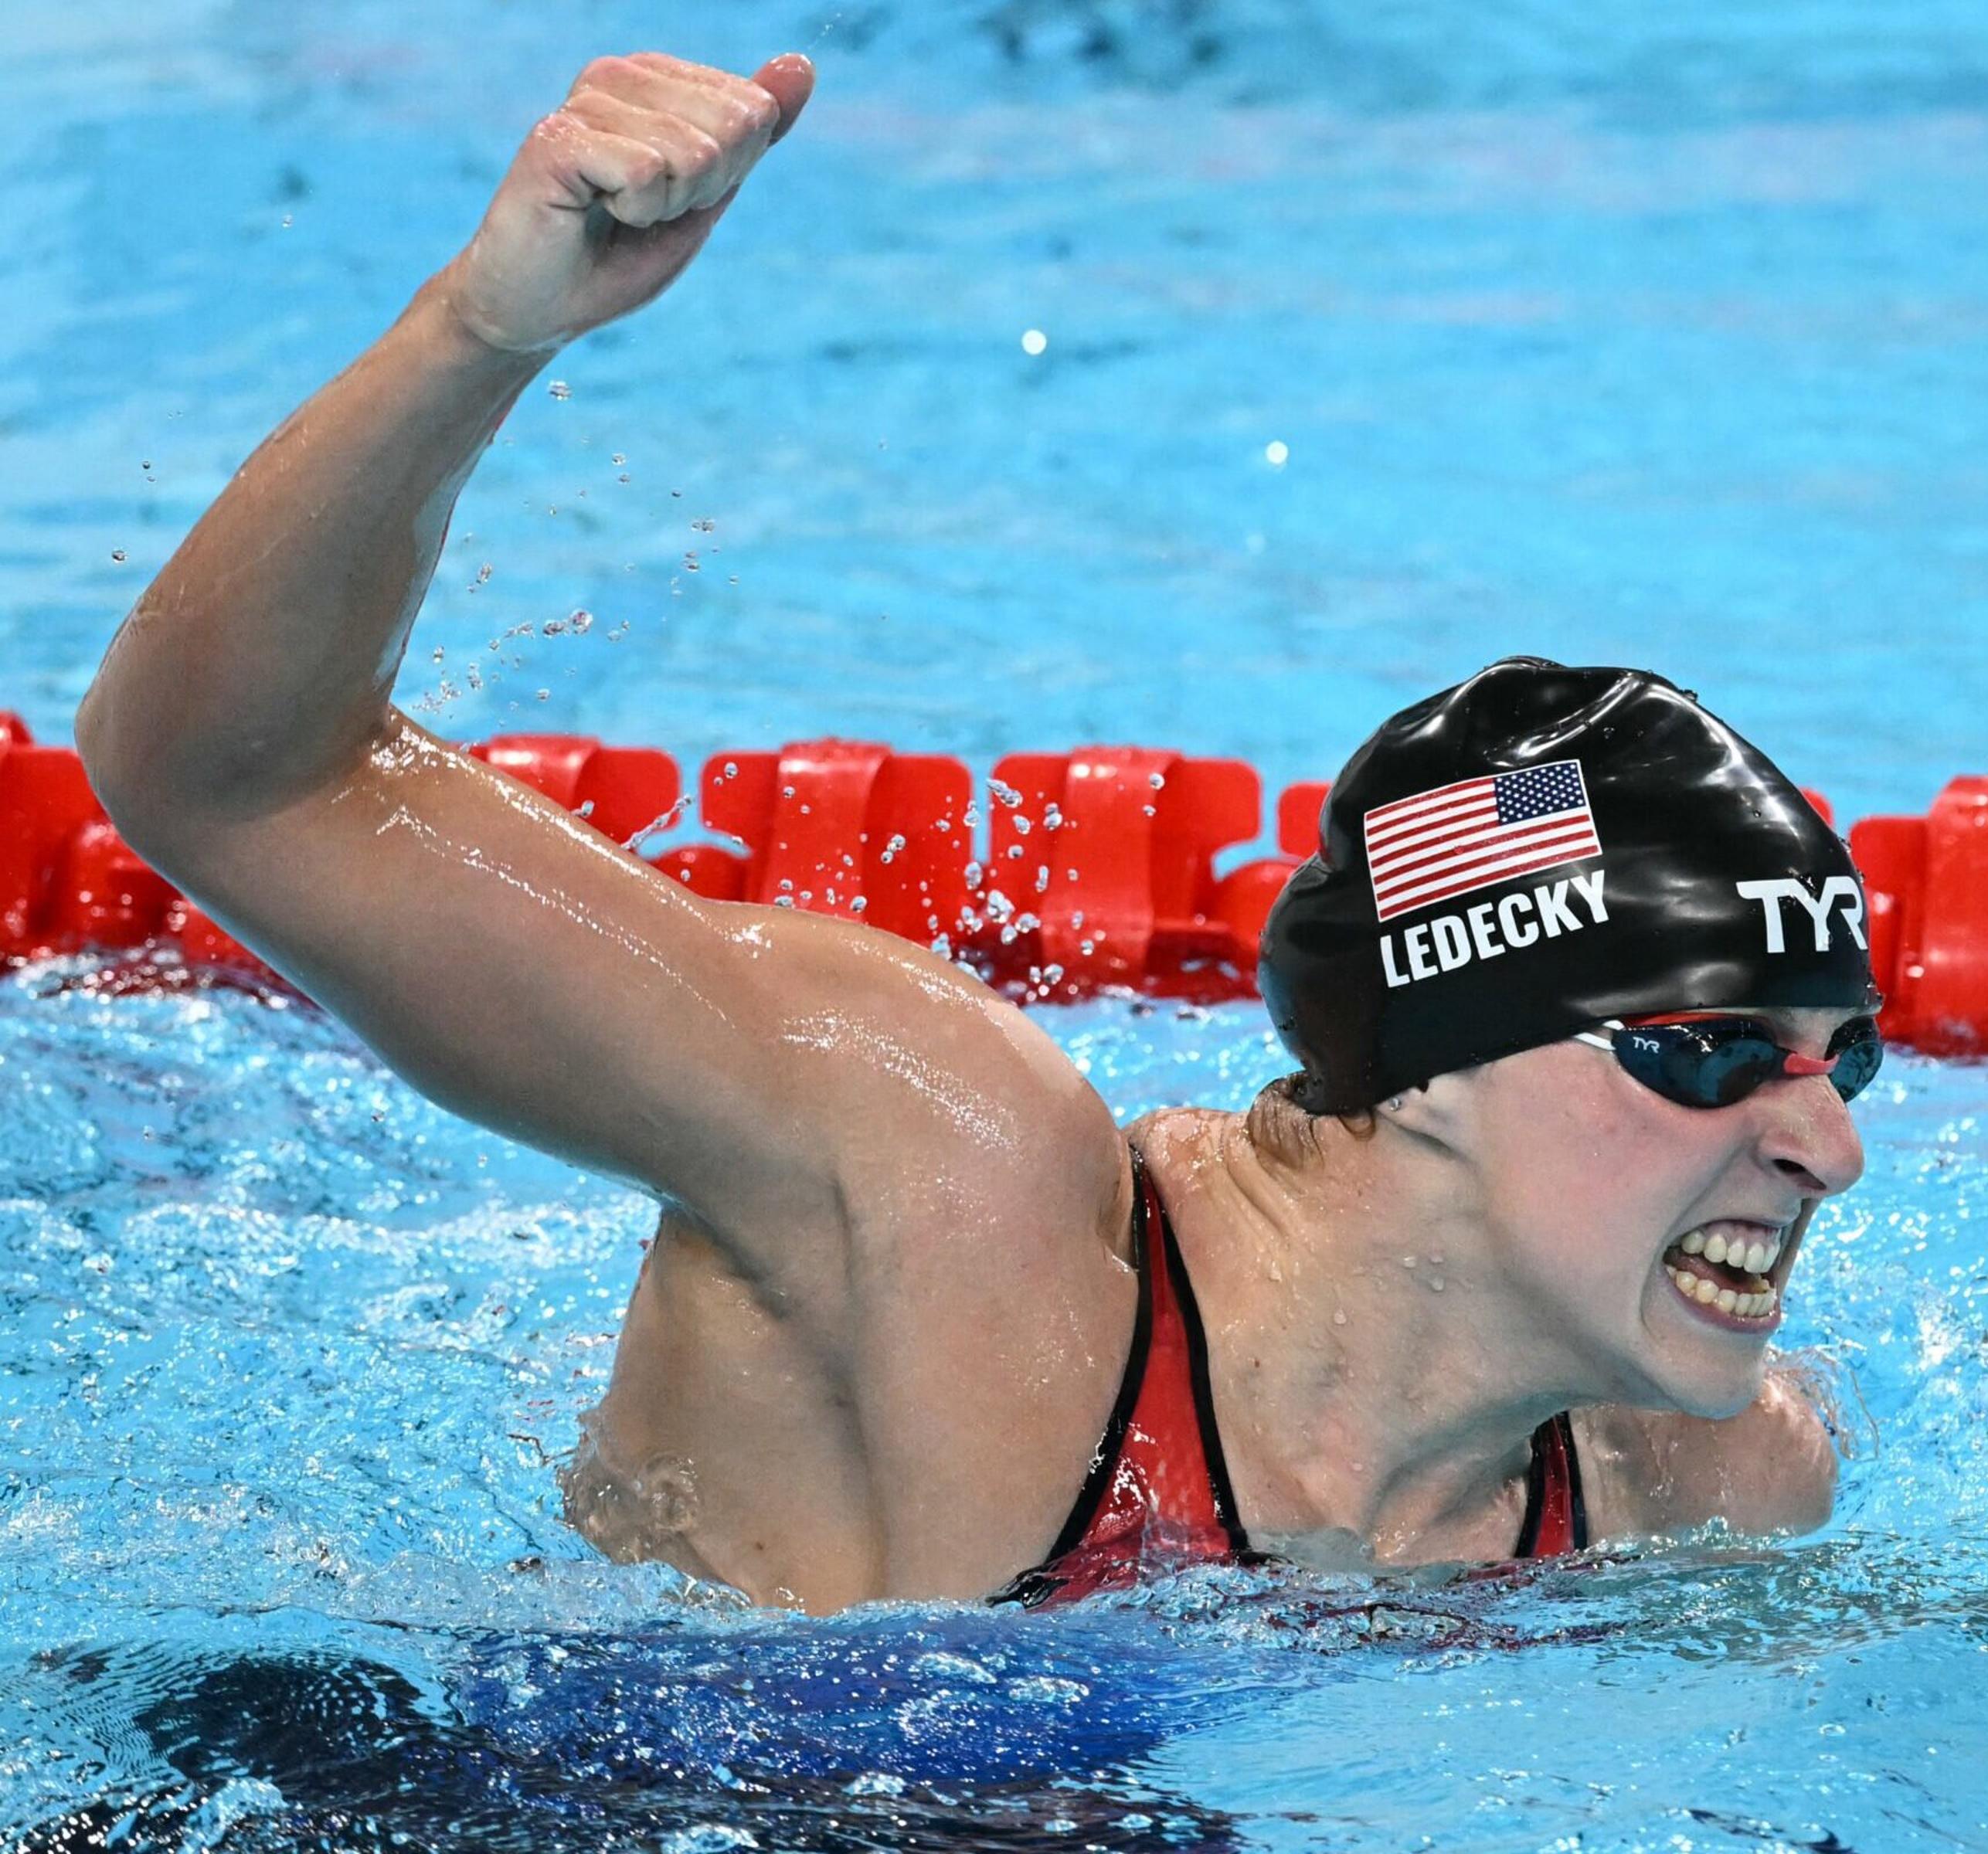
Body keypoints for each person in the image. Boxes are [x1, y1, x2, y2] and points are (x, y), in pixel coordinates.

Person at [76, 50, 1880, 1613]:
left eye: (1839, 1059)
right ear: (1430, 1062)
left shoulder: (1704, 1489)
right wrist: (484, 330)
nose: (1824, 1145)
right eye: (1710, 1048)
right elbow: (236, 782)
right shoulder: (938, 1179)